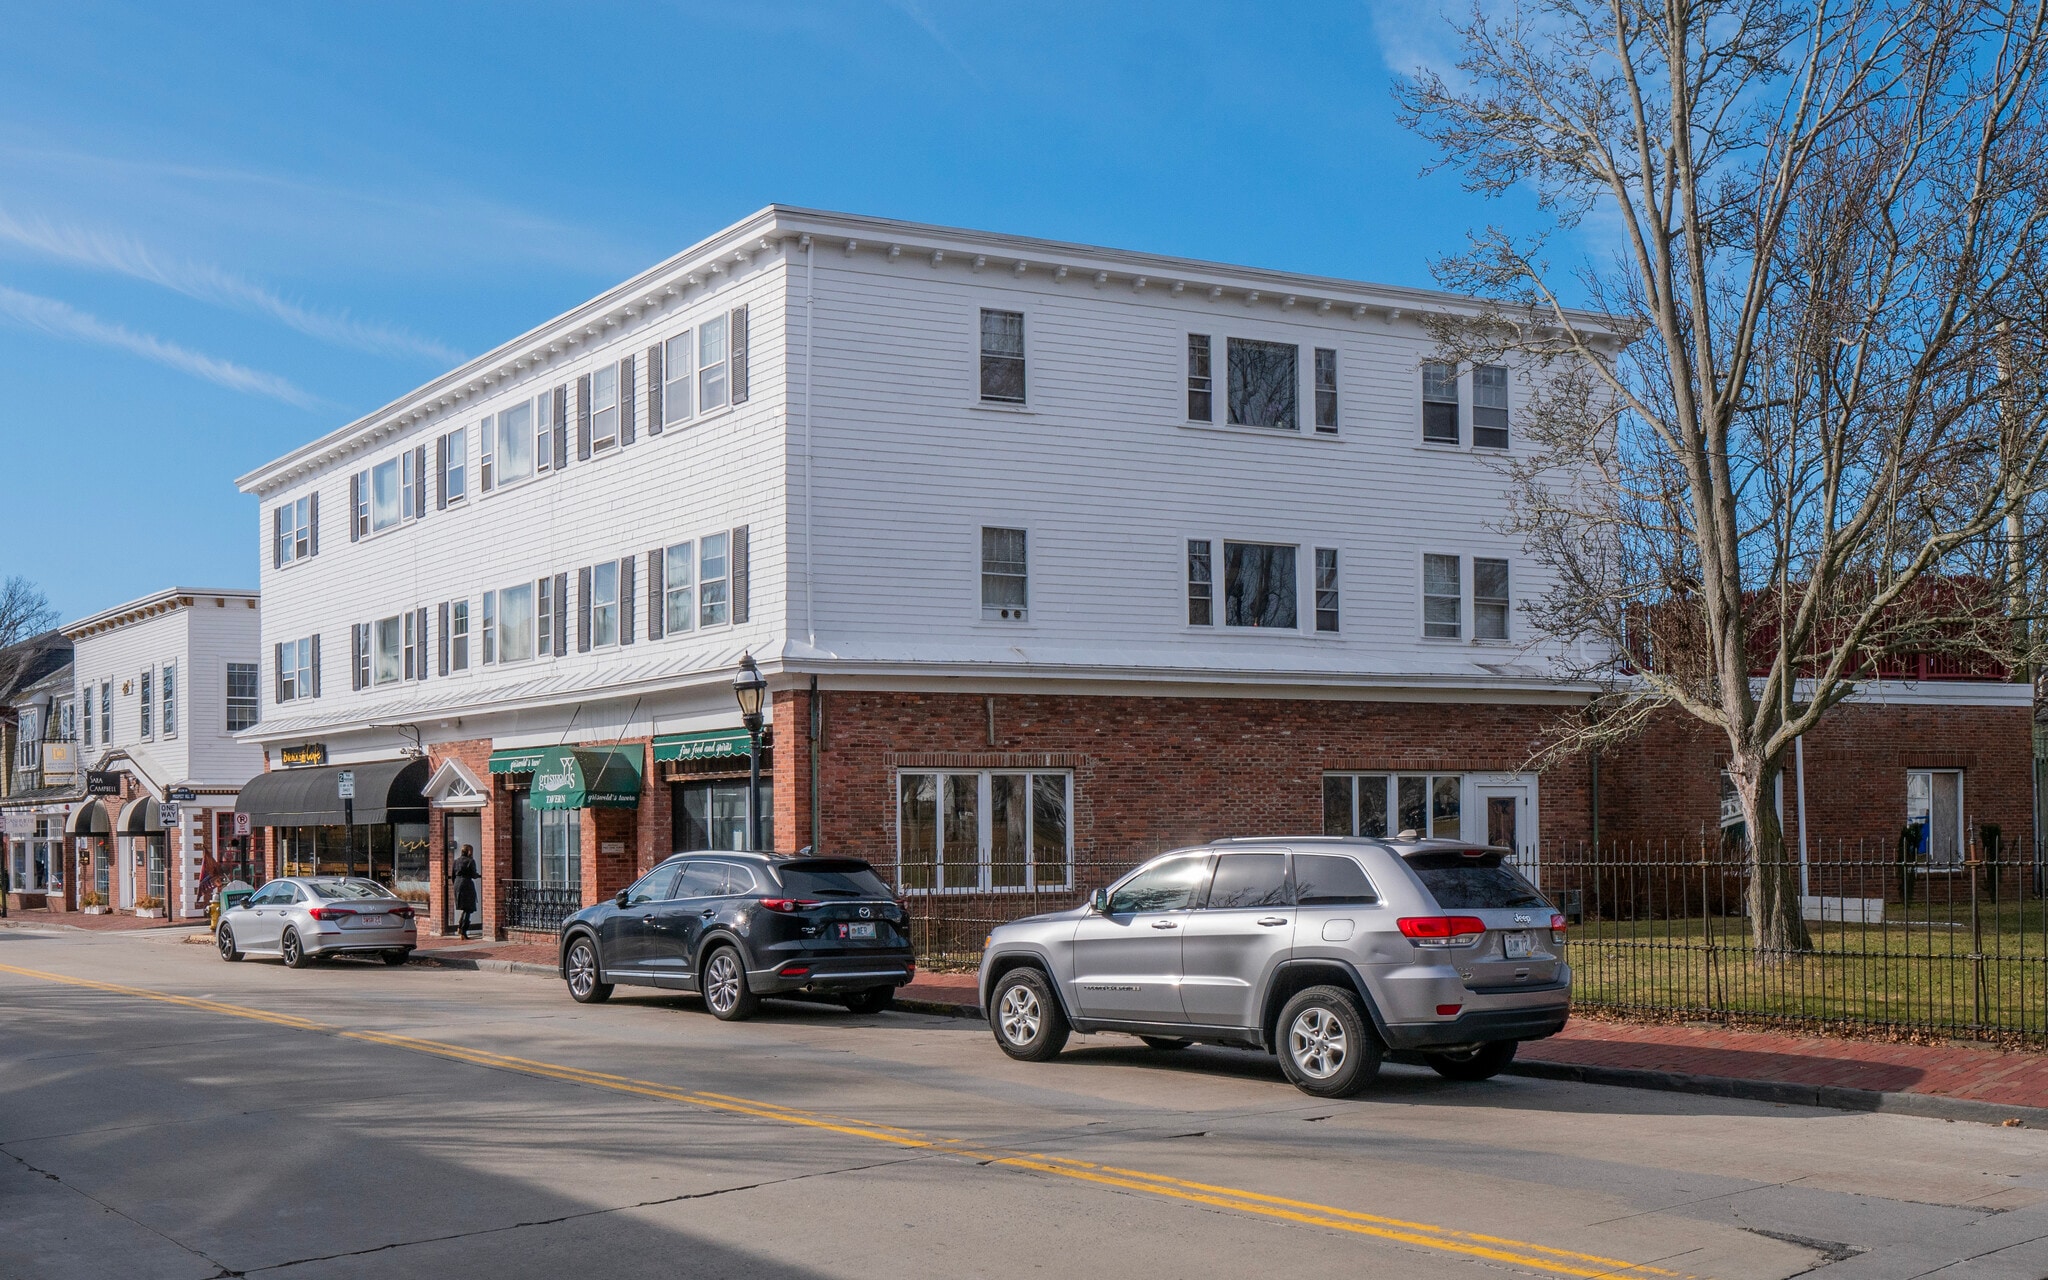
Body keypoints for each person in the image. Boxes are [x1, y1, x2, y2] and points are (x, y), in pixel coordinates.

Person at [449, 844, 480, 940]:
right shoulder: (470, 861)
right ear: (469, 851)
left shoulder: (456, 861)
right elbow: (473, 875)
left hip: (457, 884)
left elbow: (452, 875)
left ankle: (459, 927)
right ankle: (463, 931)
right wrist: (479, 875)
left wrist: (456, 884)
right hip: (466, 884)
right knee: (468, 908)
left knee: (465, 908)